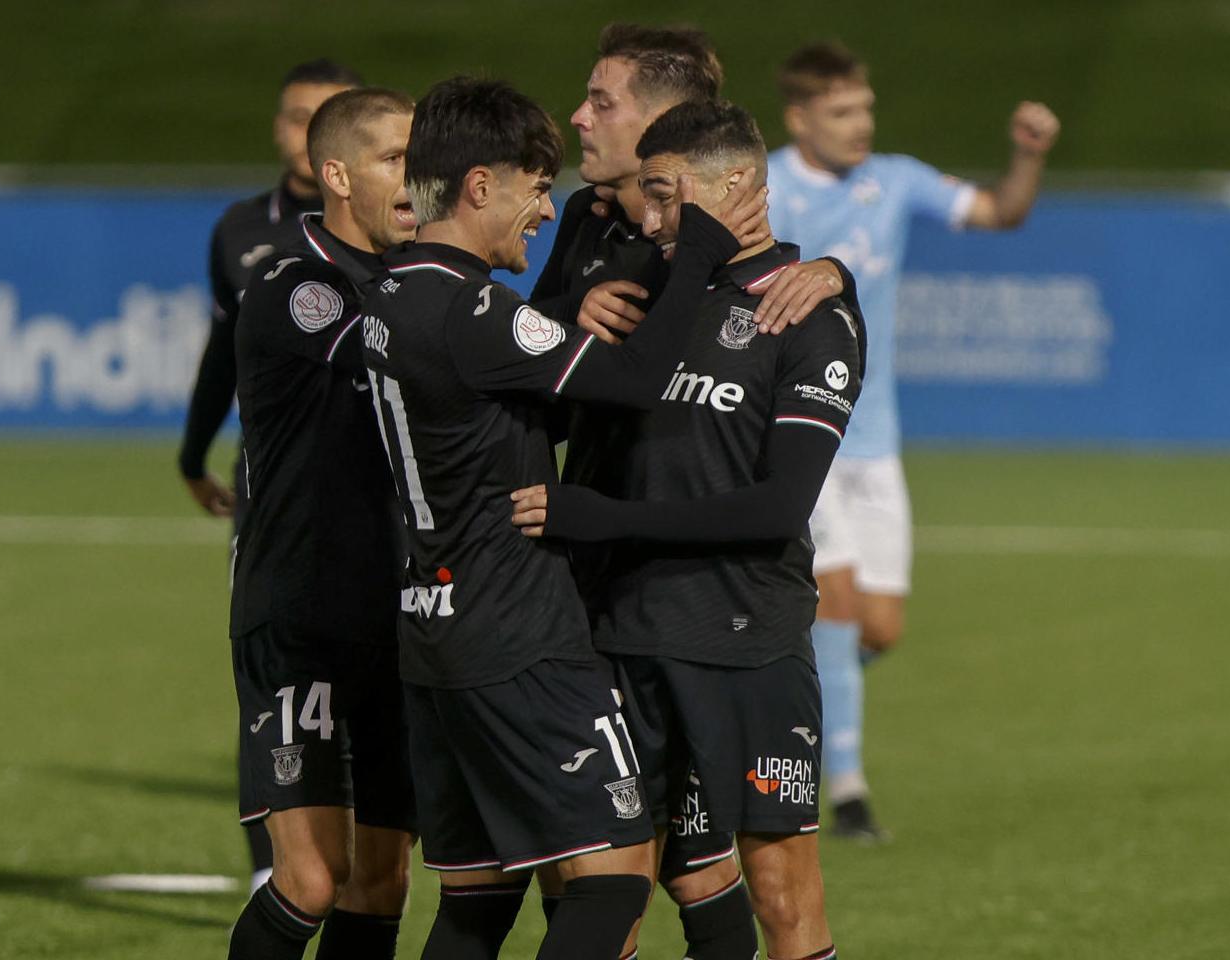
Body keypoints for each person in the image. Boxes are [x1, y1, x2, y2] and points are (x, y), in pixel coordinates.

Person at [361, 76, 763, 960]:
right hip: (520, 631)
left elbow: (507, 385)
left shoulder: (389, 297)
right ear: (479, 187)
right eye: (532, 189)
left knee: (474, 902)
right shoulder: (471, 312)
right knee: (617, 877)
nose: (544, 212)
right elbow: (635, 380)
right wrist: (695, 252)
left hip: (432, 632)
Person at [510, 98, 863, 960]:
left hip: (745, 641)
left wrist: (606, 520)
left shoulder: (810, 315)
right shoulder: (642, 295)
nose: (653, 218)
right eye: (647, 197)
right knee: (604, 898)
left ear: (738, 185)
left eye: (667, 196)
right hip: (617, 639)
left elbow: (781, 505)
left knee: (780, 897)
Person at [767, 41, 1061, 840]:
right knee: (838, 604)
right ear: (800, 118)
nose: (861, 125)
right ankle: (850, 792)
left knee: (879, 628)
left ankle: (774, 687)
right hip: (797, 433)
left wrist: (1025, 157)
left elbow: (1001, 212)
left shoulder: (892, 182)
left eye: (865, 108)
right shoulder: (763, 187)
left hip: (876, 436)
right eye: (841, 113)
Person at [224, 87, 418, 960]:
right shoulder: (294, 284)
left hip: (399, 617)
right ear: (336, 174)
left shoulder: (418, 281)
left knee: (384, 880)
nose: (417, 180)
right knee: (306, 880)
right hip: (300, 617)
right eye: (394, 160)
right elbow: (406, 347)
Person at [173, 57, 361, 891]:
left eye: (323, 117)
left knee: (374, 687)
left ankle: (368, 860)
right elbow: (225, 351)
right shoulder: (241, 229)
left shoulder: (390, 222)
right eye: (293, 116)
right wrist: (192, 452)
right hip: (273, 489)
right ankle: (270, 874)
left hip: (372, 487)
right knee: (273, 681)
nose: (303, 132)